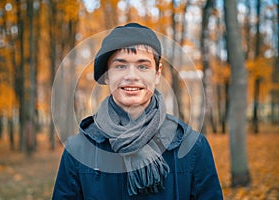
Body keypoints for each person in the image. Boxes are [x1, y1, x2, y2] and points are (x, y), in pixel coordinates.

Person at [52, 22, 223, 199]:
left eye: (143, 66)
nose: (132, 76)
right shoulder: (78, 149)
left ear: (157, 73)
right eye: (120, 66)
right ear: (107, 75)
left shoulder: (193, 147)